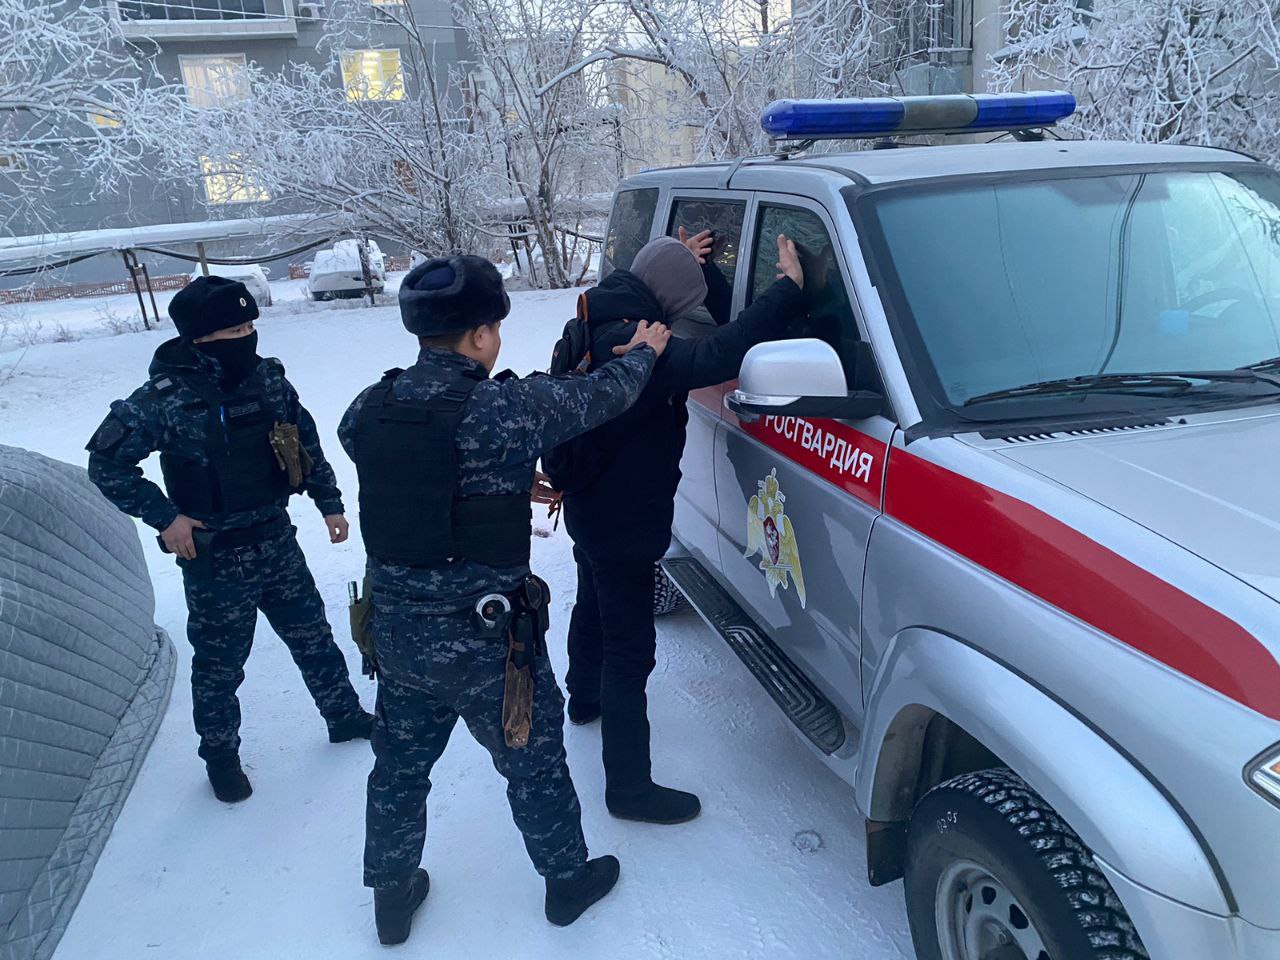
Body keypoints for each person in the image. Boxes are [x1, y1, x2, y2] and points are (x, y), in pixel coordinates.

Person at [339, 256, 670, 945]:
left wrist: (499, 482)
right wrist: (643, 351)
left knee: (398, 770)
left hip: (397, 637)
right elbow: (604, 394)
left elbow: (409, 469)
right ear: (482, 334)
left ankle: (391, 900)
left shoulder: (369, 406)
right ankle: (567, 881)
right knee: (533, 762)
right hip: (488, 643)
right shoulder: (505, 408)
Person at [86, 275, 373, 805]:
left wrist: (329, 502)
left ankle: (344, 715)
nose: (246, 338)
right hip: (214, 556)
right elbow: (106, 463)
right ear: (200, 338)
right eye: (233, 331)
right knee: (220, 666)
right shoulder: (164, 398)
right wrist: (166, 518)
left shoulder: (268, 381)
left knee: (313, 637)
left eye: (249, 328)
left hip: (276, 539)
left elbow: (303, 442)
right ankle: (221, 759)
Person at [556, 229, 805, 825]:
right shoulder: (639, 346)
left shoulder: (595, 317)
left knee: (591, 601)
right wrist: (787, 289)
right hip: (624, 519)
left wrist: (681, 265)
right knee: (630, 652)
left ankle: (582, 699)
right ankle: (629, 789)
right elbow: (719, 353)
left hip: (589, 504)